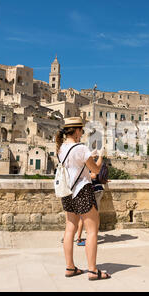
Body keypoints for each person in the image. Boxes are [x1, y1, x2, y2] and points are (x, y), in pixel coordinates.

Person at [56, 117, 111, 280]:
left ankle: (70, 267)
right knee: (92, 230)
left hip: (67, 192)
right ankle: (93, 270)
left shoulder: (61, 149)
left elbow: (75, 166)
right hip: (82, 191)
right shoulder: (80, 148)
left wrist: (90, 157)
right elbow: (95, 169)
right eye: (82, 130)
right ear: (78, 131)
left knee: (69, 229)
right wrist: (100, 156)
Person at [75, 155, 105, 247]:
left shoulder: (81, 166)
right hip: (89, 192)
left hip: (91, 192)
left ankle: (83, 237)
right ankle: (82, 238)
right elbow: (94, 175)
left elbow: (94, 175)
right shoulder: (87, 165)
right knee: (87, 216)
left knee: (87, 216)